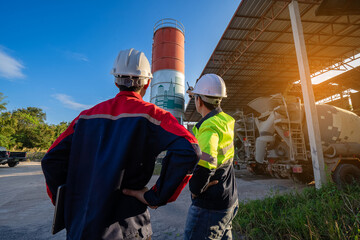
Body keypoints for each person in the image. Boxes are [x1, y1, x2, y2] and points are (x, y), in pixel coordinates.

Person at [41, 48, 200, 240]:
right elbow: (189, 148)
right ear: (147, 83)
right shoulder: (152, 115)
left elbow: (50, 160)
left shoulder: (84, 117)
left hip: (81, 228)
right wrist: (155, 196)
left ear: (116, 81)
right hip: (127, 228)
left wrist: (66, 202)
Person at [184, 74, 239, 240]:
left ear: (199, 101)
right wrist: (195, 93)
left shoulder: (208, 128)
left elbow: (206, 163)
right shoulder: (224, 122)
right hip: (229, 198)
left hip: (210, 206)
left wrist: (195, 189)